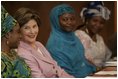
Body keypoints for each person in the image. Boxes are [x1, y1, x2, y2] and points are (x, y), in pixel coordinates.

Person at [14, 7, 74, 78]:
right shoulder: (23, 54)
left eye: (34, 26)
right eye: (26, 28)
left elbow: (58, 69)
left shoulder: (38, 44)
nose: (32, 32)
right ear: (19, 31)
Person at [46, 4, 96, 78]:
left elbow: (82, 60)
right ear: (56, 21)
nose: (69, 22)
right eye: (65, 19)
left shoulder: (73, 37)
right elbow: (65, 73)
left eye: (72, 19)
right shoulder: (54, 44)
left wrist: (94, 69)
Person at [75, 1, 112, 68]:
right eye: (95, 21)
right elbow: (76, 61)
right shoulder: (78, 36)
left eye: (102, 23)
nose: (98, 25)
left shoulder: (99, 38)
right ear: (87, 21)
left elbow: (107, 57)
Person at [1, 5, 31, 78]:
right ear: (8, 35)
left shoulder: (12, 52)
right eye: (18, 32)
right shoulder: (2, 62)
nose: (21, 36)